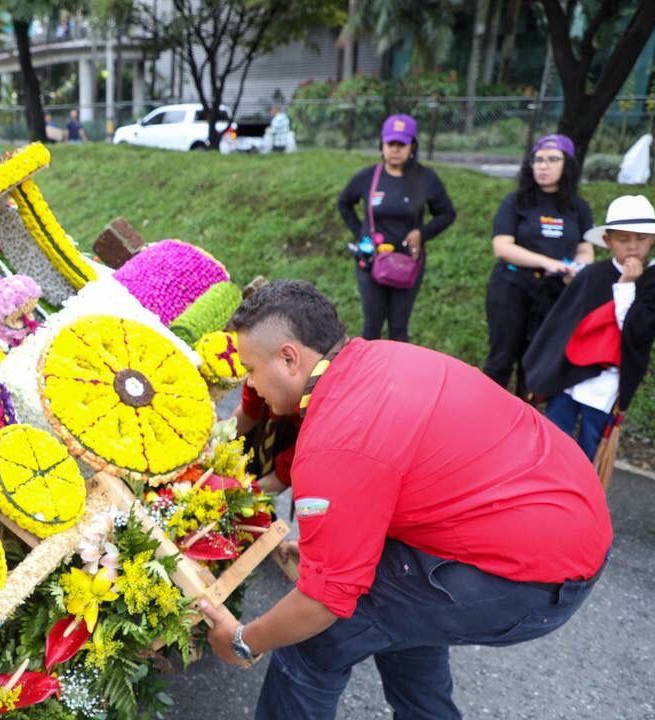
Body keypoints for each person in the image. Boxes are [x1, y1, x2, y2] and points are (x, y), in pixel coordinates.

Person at [201, 280, 611, 720]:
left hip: (531, 577)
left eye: (250, 368)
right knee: (396, 612)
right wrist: (338, 550)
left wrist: (245, 639)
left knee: (313, 638)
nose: (249, 382)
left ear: (288, 357)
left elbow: (324, 602)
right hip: (569, 519)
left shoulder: (334, 440)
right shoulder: (382, 357)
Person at [522, 194, 655, 462]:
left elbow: (637, 331)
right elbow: (562, 324)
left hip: (609, 383)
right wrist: (543, 366)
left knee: (590, 446)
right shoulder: (593, 275)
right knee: (553, 436)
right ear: (608, 241)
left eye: (641, 239)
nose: (632, 247)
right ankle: (543, 492)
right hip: (569, 376)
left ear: (653, 239)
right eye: (623, 239)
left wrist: (627, 285)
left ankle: (580, 498)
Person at [482, 134, 593, 396]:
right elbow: (502, 247)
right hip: (511, 289)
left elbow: (585, 249)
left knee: (535, 364)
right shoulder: (515, 202)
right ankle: (484, 417)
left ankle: (526, 422)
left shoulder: (578, 207)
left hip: (553, 294)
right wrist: (548, 262)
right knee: (501, 360)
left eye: (552, 159)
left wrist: (577, 269)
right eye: (538, 160)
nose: (543, 166)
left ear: (567, 165)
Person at [337, 114, 455, 342]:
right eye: (390, 143)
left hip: (408, 263)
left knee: (399, 327)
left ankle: (398, 376)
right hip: (371, 262)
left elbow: (447, 213)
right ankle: (370, 376)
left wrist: (423, 233)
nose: (395, 150)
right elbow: (344, 204)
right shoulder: (367, 177)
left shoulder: (426, 179)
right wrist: (361, 233)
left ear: (412, 147)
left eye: (401, 144)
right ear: (381, 145)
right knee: (372, 326)